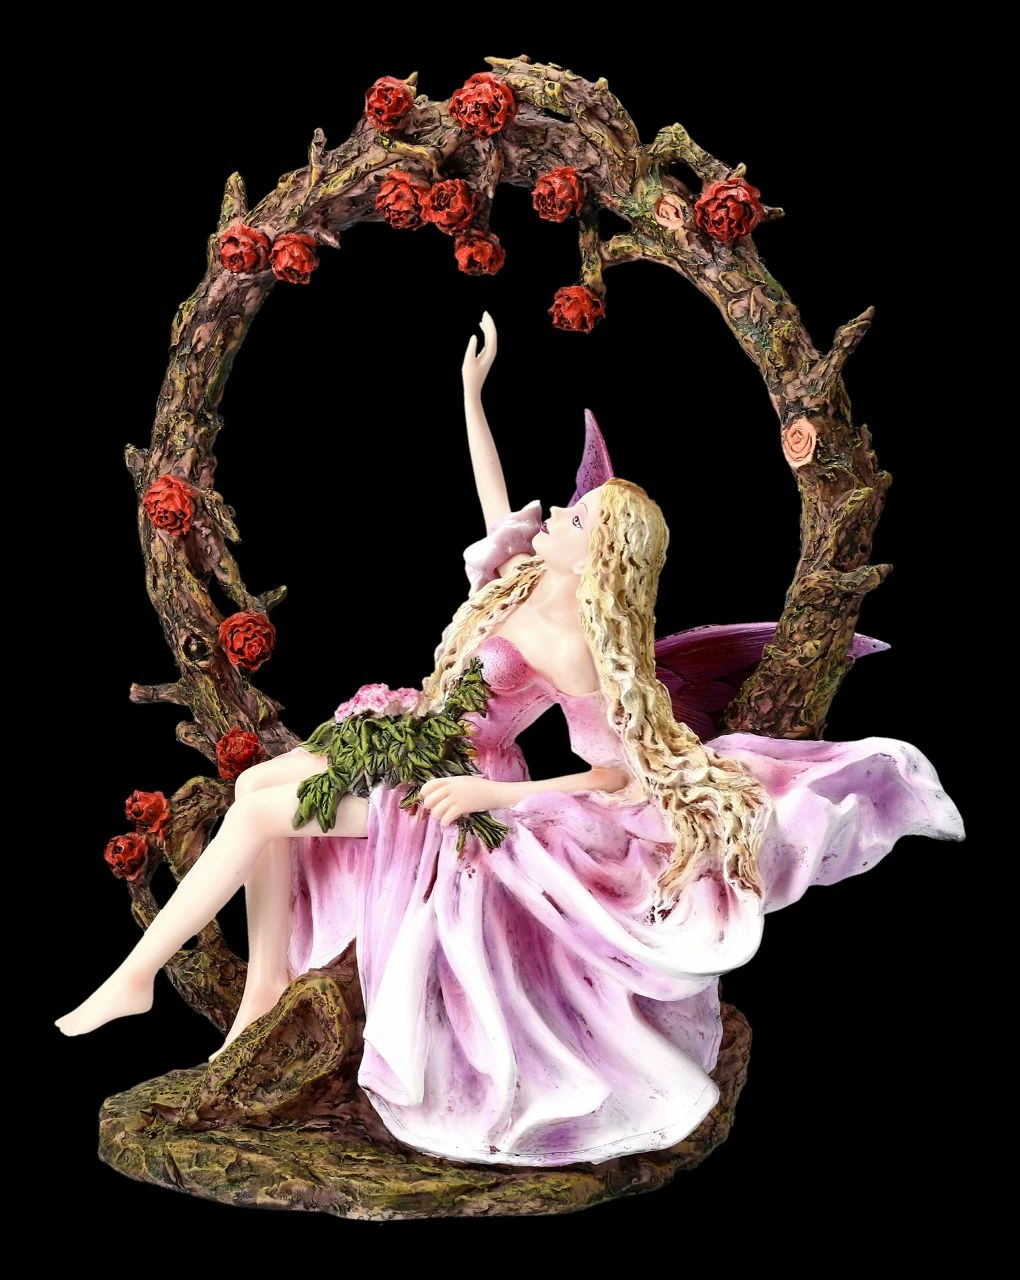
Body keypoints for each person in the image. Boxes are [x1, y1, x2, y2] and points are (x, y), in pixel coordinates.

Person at [55, 313, 964, 1168]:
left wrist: (501, 796)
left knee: (261, 816)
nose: (553, 515)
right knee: (257, 792)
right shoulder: (524, 575)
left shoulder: (582, 650)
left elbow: (613, 773)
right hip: (400, 730)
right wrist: (471, 396)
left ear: (600, 557)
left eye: (575, 520)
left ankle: (137, 976)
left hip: (451, 784)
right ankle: (260, 991)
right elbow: (492, 495)